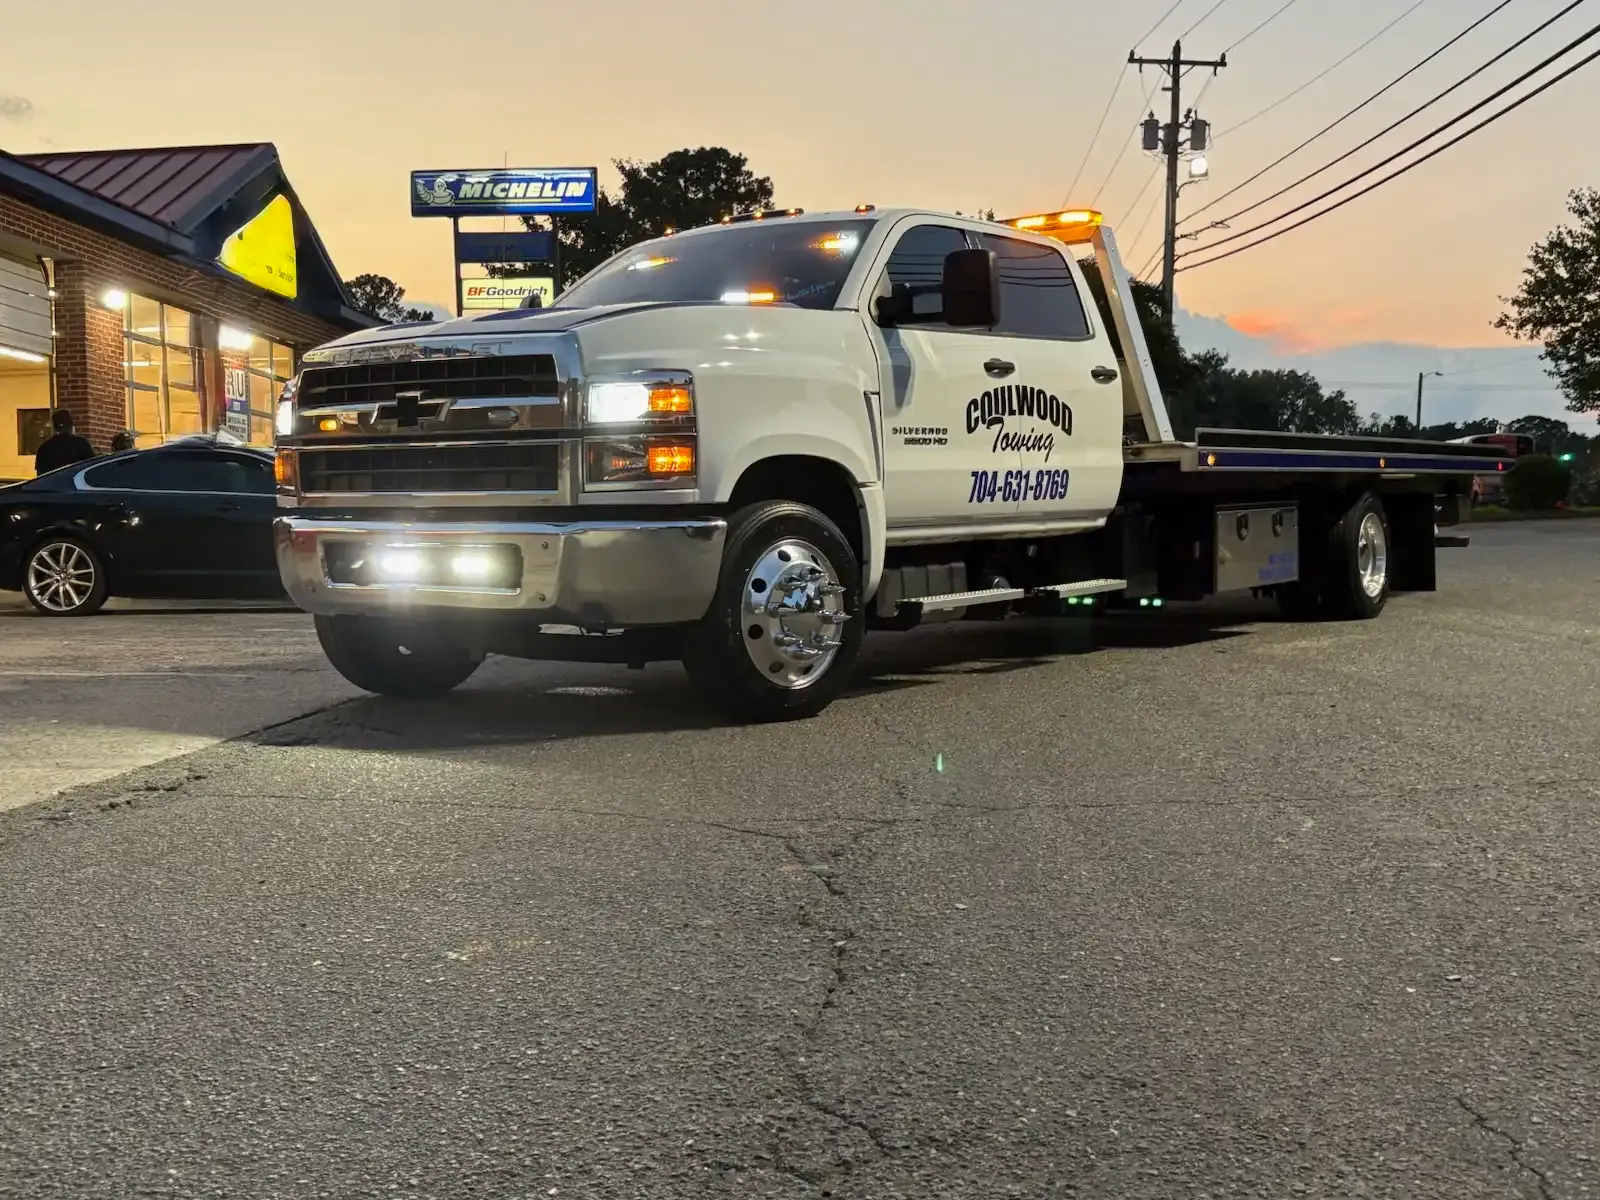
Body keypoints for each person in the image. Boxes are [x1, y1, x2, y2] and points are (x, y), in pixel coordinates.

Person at [34, 409, 95, 475]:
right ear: (71, 427)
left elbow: (40, 476)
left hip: (53, 484)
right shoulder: (82, 444)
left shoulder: (44, 448)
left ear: (54, 427)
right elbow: (91, 469)